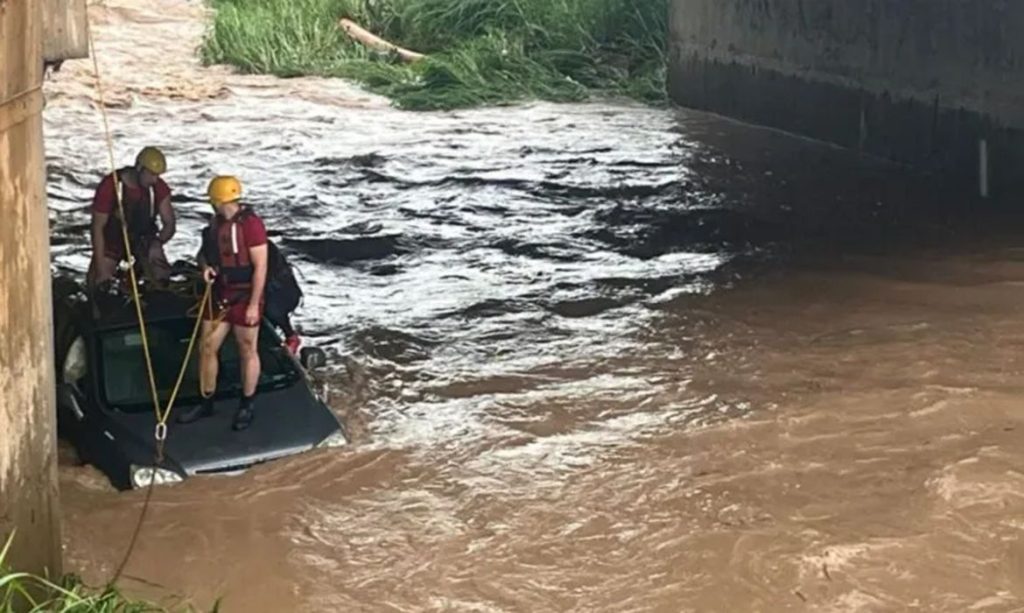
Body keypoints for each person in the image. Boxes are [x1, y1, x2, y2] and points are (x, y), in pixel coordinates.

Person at [178, 176, 268, 430]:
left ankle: (247, 403)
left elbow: (261, 266)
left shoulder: (252, 226)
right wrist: (206, 267)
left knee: (247, 348)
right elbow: (203, 254)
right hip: (220, 294)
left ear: (218, 200)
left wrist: (253, 304)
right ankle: (206, 401)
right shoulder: (215, 225)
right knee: (206, 347)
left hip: (245, 295)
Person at [88, 146, 175, 288]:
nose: (155, 180)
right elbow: (97, 227)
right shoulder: (111, 185)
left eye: (157, 175)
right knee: (100, 278)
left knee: (159, 267)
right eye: (151, 174)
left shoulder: (158, 188)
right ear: (139, 168)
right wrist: (101, 268)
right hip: (113, 239)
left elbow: (169, 224)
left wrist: (157, 242)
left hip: (143, 239)